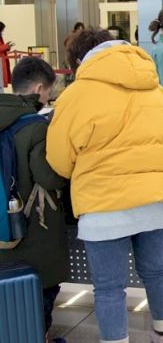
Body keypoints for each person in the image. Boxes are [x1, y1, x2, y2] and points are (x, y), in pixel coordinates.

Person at [46, 28, 163, 343]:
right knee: (157, 271)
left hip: (103, 203)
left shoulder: (76, 94)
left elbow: (59, 158)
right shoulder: (153, 86)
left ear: (78, 60)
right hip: (157, 198)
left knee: (110, 288)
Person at [0, 57, 69, 343]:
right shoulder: (36, 127)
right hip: (31, 234)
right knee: (37, 298)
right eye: (49, 92)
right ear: (40, 88)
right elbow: (50, 178)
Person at [0, 21, 15, 87]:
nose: (3, 31)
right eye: (2, 30)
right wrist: (6, 46)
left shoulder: (0, 38)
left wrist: (7, 46)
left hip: (2, 60)